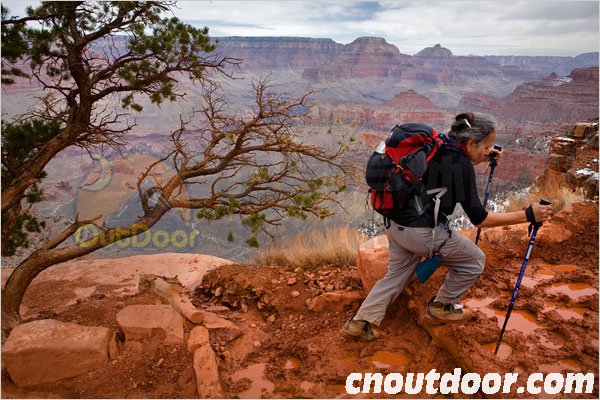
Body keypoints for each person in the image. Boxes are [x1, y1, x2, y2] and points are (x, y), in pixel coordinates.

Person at [342, 112, 552, 341]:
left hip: (394, 225)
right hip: (423, 234)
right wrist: (528, 215)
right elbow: (479, 219)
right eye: (486, 146)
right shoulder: (461, 165)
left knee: (396, 275)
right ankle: (442, 306)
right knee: (474, 261)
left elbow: (452, 164)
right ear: (471, 142)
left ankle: (361, 322)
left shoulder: (437, 145)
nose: (487, 151)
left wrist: (482, 156)